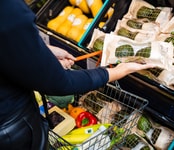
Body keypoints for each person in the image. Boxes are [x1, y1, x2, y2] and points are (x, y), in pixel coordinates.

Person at [0, 0, 155, 150]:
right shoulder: (9, 9)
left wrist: (42, 51)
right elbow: (60, 82)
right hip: (11, 131)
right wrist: (117, 72)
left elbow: (10, 45)